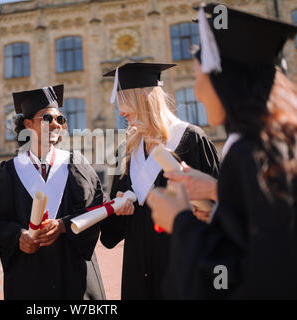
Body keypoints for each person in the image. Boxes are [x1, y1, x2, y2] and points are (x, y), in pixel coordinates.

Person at [147, 3, 297, 298]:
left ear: (223, 81)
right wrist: (219, 205)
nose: (198, 93)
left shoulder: (248, 154)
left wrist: (179, 221)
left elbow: (248, 280)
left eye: (198, 78)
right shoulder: (278, 144)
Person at [99, 62, 221, 299]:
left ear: (144, 97)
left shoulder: (191, 140)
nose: (120, 111)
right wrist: (119, 209)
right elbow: (113, 233)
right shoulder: (125, 153)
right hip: (138, 273)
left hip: (183, 269)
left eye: (124, 100)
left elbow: (221, 213)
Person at [0, 85, 106, 299]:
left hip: (75, 275)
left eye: (61, 119)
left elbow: (96, 210)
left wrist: (64, 226)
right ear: (28, 124)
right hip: (29, 277)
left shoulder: (77, 165)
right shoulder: (9, 172)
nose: (56, 124)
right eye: (47, 118)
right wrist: (17, 236)